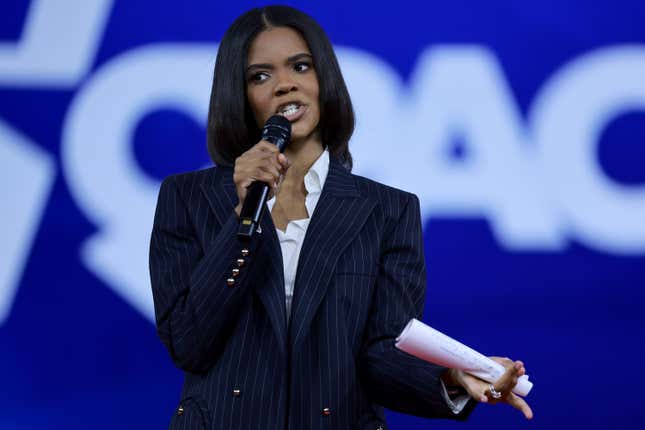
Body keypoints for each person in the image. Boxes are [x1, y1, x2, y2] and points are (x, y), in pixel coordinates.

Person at [149, 5, 533, 429]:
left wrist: (452, 377)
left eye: (300, 66)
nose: (284, 85)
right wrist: (243, 218)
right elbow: (189, 344)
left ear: (324, 80)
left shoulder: (388, 210)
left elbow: (380, 354)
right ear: (238, 97)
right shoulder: (186, 199)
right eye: (260, 76)